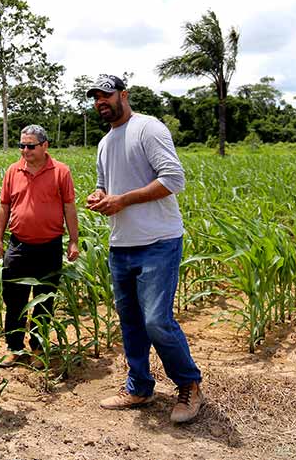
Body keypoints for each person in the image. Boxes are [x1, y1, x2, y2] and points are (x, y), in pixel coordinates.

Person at [84, 74, 203, 423]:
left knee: (157, 320)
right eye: (95, 98)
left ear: (123, 94)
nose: (100, 103)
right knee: (132, 322)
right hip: (121, 243)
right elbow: (105, 186)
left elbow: (173, 179)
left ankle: (189, 385)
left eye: (105, 95)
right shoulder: (105, 143)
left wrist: (123, 200)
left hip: (158, 241)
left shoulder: (148, 129)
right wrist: (100, 196)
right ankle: (139, 387)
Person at [0, 125, 80, 368]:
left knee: (44, 300)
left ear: (44, 146)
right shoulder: (13, 170)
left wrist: (74, 240)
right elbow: (4, 206)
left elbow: (69, 207)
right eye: (22, 145)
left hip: (49, 247)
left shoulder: (61, 171)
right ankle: (15, 348)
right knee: (13, 299)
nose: (25, 150)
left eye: (30, 146)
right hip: (18, 246)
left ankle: (39, 349)